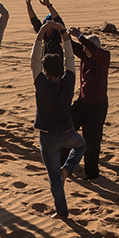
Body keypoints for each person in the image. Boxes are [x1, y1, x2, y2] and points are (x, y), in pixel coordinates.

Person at [31, 20, 85, 219]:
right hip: (67, 133)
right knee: (82, 145)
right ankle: (68, 170)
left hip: (48, 138)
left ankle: (62, 212)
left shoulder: (42, 85)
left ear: (45, 71)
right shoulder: (69, 80)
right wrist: (63, 33)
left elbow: (34, 61)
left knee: (54, 178)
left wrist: (41, 33)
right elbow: (70, 58)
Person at [67, 27, 111, 180]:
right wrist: (62, 32)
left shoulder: (103, 57)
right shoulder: (86, 55)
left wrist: (80, 36)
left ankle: (91, 174)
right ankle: (63, 165)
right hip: (81, 103)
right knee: (66, 129)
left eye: (87, 47)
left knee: (92, 141)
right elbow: (72, 45)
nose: (84, 50)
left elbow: (88, 46)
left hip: (97, 107)